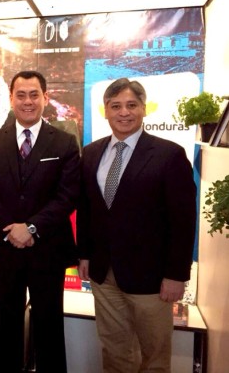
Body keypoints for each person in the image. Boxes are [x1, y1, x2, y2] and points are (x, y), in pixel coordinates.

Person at [76, 78, 197, 373]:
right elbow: (87, 210)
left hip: (152, 280)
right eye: (115, 106)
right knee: (115, 352)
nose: (123, 112)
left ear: (144, 109)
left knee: (154, 357)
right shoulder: (91, 153)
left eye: (131, 105)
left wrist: (176, 275)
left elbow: (183, 220)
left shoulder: (169, 155)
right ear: (105, 111)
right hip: (105, 276)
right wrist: (85, 255)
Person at [0, 70, 80, 373]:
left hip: (48, 248)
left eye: (34, 94)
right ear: (11, 99)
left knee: (48, 324)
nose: (28, 101)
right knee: (6, 322)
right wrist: (13, 230)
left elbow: (67, 195)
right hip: (6, 246)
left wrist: (32, 228)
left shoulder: (64, 142)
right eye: (20, 95)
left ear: (46, 98)